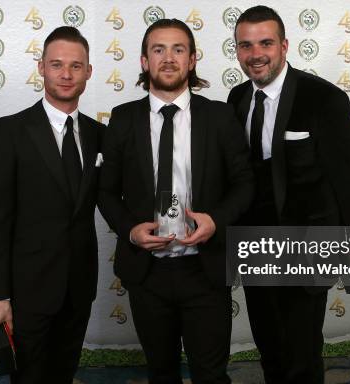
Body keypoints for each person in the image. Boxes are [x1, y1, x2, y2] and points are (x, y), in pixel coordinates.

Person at [98, 18, 253, 384]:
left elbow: (245, 184)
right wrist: (131, 231)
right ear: (143, 61)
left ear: (193, 59)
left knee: (211, 375)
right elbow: (105, 191)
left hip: (206, 270)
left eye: (178, 49)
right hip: (147, 273)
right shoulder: (122, 119)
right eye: (158, 49)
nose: (168, 58)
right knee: (160, 373)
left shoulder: (219, 117)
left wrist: (216, 220)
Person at [227, 6, 350, 384]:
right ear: (237, 50)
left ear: (284, 45)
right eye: (245, 45)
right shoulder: (236, 98)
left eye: (265, 43)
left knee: (301, 351)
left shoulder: (323, 98)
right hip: (255, 245)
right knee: (269, 346)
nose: (255, 53)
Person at [0, 26, 105, 383]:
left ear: (89, 72)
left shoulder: (101, 135)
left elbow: (112, 198)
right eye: (56, 65)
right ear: (41, 68)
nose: (66, 75)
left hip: (79, 287)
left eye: (76, 66)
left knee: (63, 375)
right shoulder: (10, 131)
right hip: (28, 291)